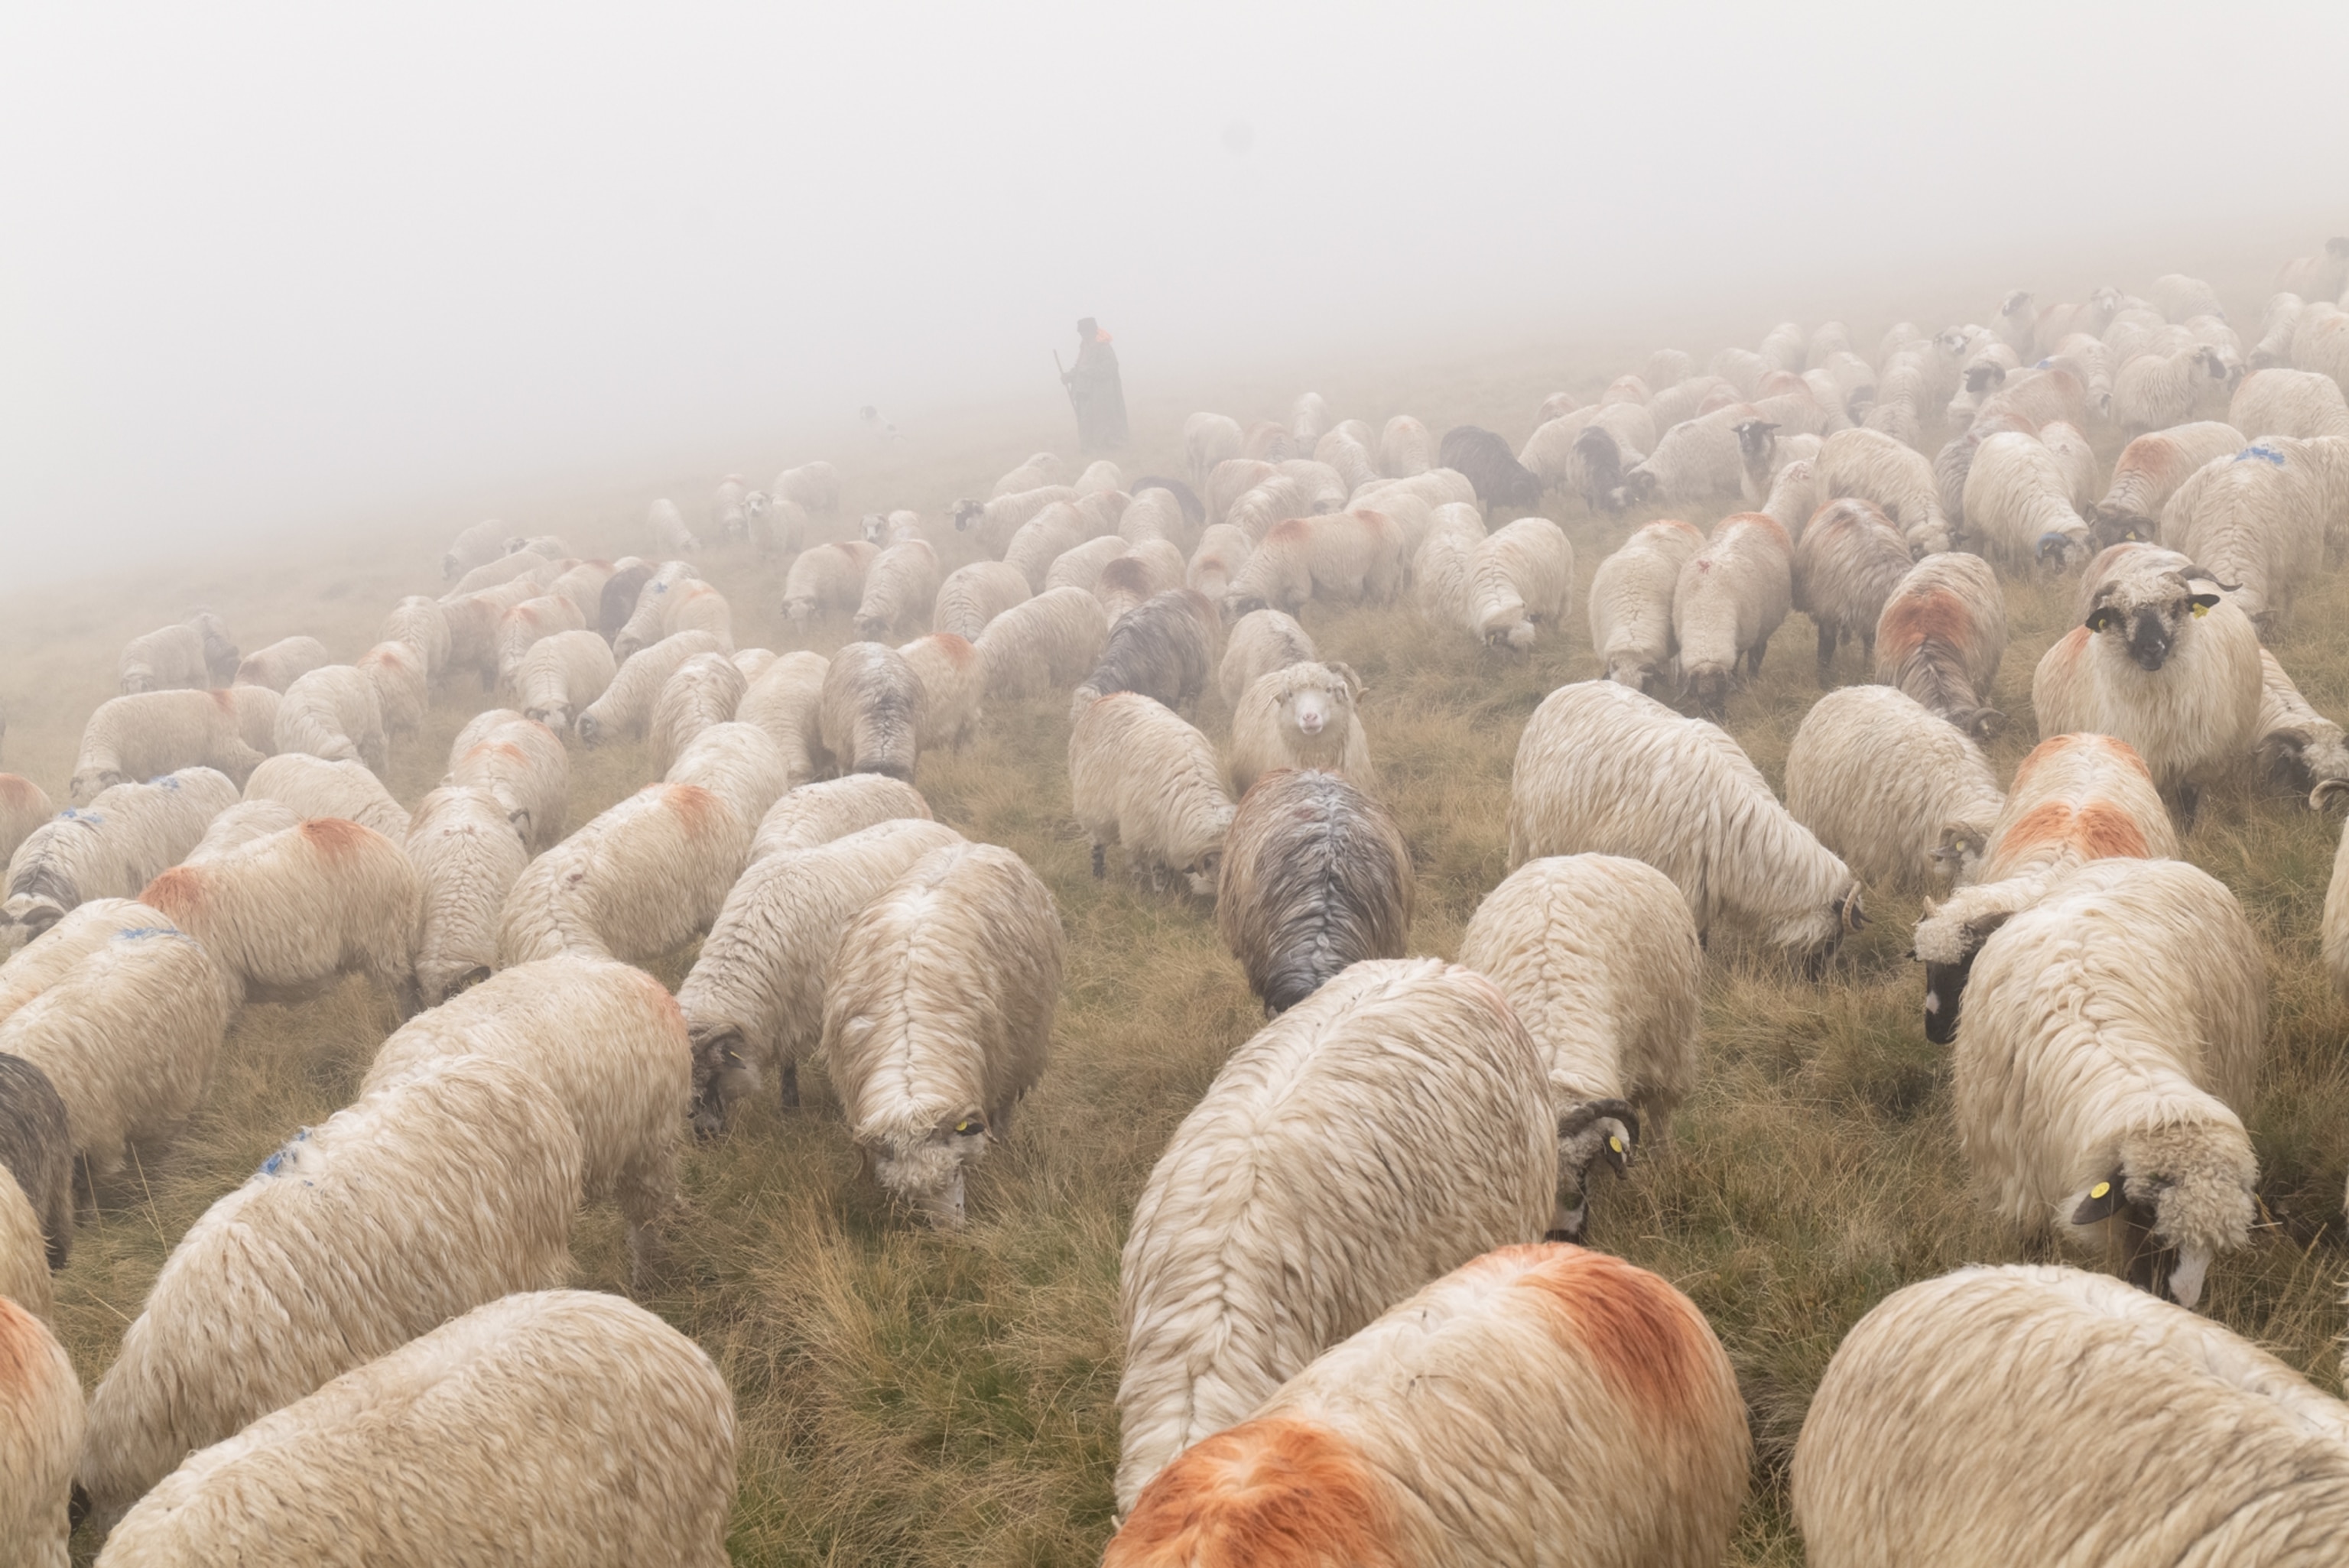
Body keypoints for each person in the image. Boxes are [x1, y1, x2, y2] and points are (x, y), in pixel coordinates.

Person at [1061, 317, 1128, 453]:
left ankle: (1107, 448)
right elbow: (1080, 367)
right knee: (1085, 421)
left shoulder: (1103, 347)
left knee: (1103, 423)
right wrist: (1069, 376)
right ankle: (1089, 449)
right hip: (1084, 392)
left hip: (1101, 394)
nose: (1082, 336)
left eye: (1084, 333)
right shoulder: (1085, 346)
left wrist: (1087, 370)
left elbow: (1109, 369)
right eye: (1081, 334)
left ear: (1092, 332)